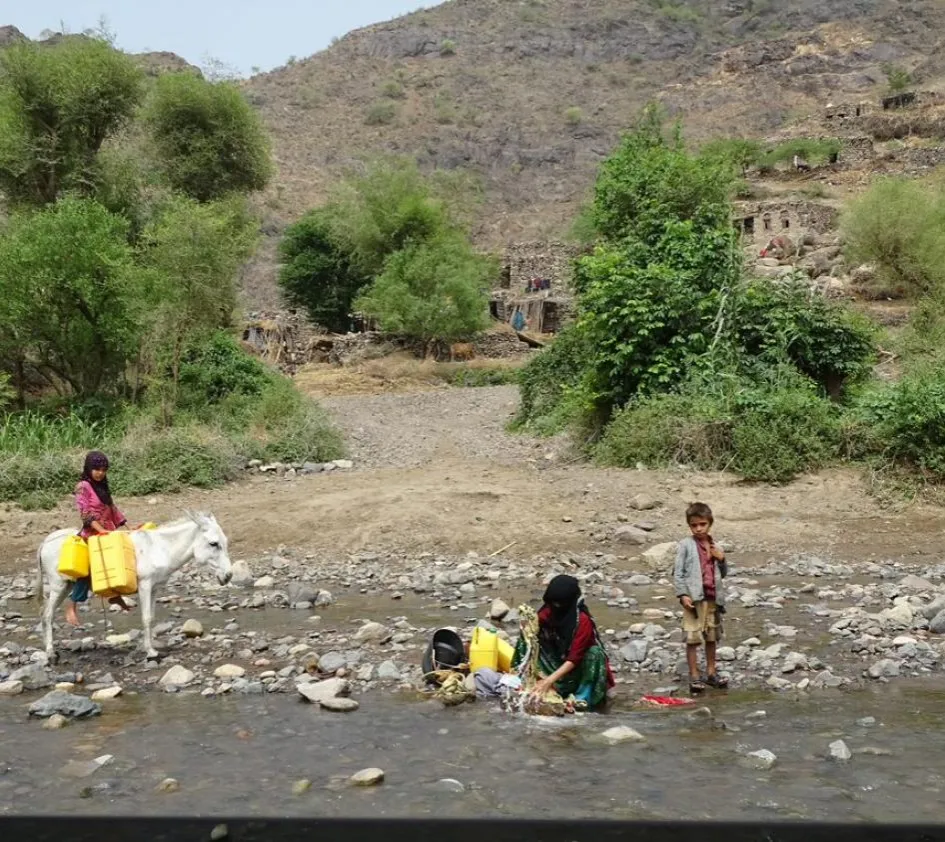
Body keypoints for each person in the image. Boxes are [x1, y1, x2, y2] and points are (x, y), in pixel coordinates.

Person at [512, 574, 615, 708]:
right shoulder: (547, 612)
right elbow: (531, 637)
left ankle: (580, 699)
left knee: (595, 654)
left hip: (576, 673)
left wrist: (548, 681)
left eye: (560, 603)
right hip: (554, 663)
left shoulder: (582, 621)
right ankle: (520, 681)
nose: (556, 607)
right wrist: (527, 626)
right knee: (526, 638)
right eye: (553, 603)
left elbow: (574, 658)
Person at [64, 451, 131, 627]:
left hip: (107, 532)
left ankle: (114, 595)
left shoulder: (102, 486)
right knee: (88, 570)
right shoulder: (82, 487)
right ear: (89, 468)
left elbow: (112, 508)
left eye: (103, 470)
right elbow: (85, 512)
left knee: (117, 562)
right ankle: (71, 605)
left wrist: (126, 526)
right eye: (96, 469)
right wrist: (100, 530)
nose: (100, 473)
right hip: (92, 533)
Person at [674, 502, 728, 694]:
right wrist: (682, 594)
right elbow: (678, 572)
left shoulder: (715, 546)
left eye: (702, 524)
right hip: (694, 599)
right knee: (692, 638)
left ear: (710, 523)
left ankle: (711, 672)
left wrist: (721, 559)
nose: (698, 528)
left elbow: (723, 573)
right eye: (694, 525)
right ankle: (695, 675)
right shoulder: (685, 545)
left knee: (712, 637)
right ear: (689, 526)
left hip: (712, 598)